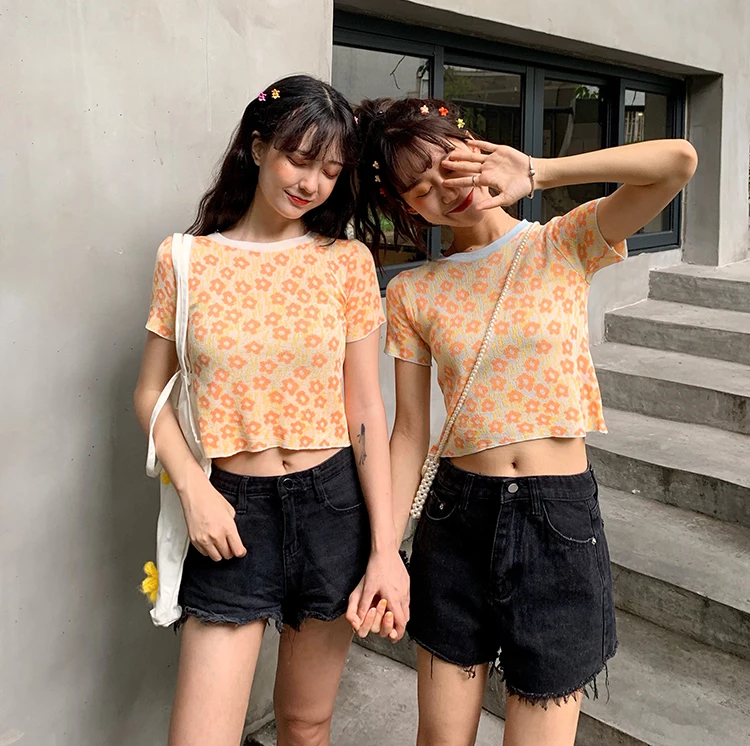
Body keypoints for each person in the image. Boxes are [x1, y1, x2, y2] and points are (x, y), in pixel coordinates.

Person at [354, 96, 697, 746]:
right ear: (409, 209)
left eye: (447, 164)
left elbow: (677, 162)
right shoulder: (413, 291)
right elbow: (409, 434)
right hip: (456, 520)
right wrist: (385, 554)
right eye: (419, 189)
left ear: (474, 146)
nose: (443, 190)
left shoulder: (562, 242)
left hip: (556, 522)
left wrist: (539, 171)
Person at [133, 75, 408, 746]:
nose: (311, 183)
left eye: (330, 171)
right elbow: (148, 393)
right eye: (299, 159)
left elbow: (365, 407)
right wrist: (194, 489)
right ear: (258, 148)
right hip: (231, 512)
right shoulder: (186, 260)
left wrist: (385, 549)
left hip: (334, 509)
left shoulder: (346, 262)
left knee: (306, 724)